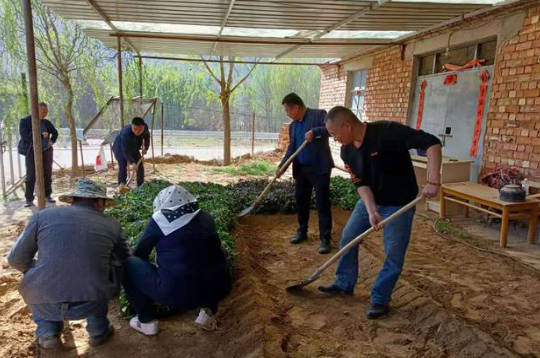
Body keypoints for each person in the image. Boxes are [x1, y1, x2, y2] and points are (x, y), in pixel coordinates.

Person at [319, 106, 442, 319]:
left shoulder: (387, 132)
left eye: (334, 134)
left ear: (347, 126)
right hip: (372, 200)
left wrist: (433, 180)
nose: (334, 139)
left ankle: (380, 298)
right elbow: (361, 184)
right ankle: (344, 282)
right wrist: (371, 210)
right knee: (349, 236)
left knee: (393, 252)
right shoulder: (346, 151)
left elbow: (432, 143)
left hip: (399, 204)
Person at [7, 178, 129, 348]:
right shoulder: (112, 224)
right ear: (100, 202)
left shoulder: (42, 216)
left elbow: (15, 260)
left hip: (43, 299)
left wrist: (38, 269)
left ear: (73, 200)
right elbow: (123, 258)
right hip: (91, 301)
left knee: (42, 280)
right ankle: (98, 331)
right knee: (106, 269)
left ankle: (48, 332)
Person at [123, 185, 232, 335]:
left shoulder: (159, 221)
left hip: (178, 295)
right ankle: (208, 313)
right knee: (208, 261)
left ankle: (146, 321)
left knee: (128, 264)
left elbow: (140, 254)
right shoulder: (206, 218)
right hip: (221, 287)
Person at [277, 93, 334, 254]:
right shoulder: (293, 126)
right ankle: (302, 231)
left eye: (288, 110)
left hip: (320, 169)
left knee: (322, 203)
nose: (287, 114)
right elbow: (291, 150)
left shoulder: (319, 115)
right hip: (301, 170)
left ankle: (325, 239)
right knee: (301, 200)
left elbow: (331, 129)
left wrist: (315, 132)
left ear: (296, 107)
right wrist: (282, 166)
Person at [18, 102, 58, 207]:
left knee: (47, 173)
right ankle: (29, 199)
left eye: (46, 111)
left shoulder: (46, 122)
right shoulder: (25, 121)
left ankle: (47, 195)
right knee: (31, 174)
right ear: (36, 110)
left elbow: (55, 133)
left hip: (46, 151)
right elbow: (25, 136)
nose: (45, 113)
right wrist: (40, 135)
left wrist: (51, 141)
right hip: (31, 152)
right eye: (43, 111)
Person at [112, 117, 150, 187]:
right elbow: (125, 151)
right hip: (120, 148)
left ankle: (140, 185)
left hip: (134, 147)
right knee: (123, 165)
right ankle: (122, 185)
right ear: (132, 126)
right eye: (135, 129)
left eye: (140, 130)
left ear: (144, 127)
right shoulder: (125, 134)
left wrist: (146, 147)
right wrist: (132, 162)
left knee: (140, 166)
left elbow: (147, 137)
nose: (137, 132)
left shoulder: (145, 128)